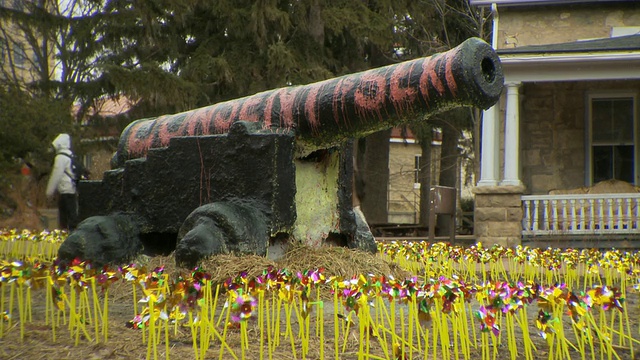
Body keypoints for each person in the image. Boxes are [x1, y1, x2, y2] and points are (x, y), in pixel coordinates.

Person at [46, 133, 78, 231]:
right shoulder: (70, 155)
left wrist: (49, 192)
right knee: (72, 215)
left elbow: (56, 175)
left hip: (65, 190)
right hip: (72, 188)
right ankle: (72, 233)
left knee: (64, 217)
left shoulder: (60, 158)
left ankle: (63, 236)